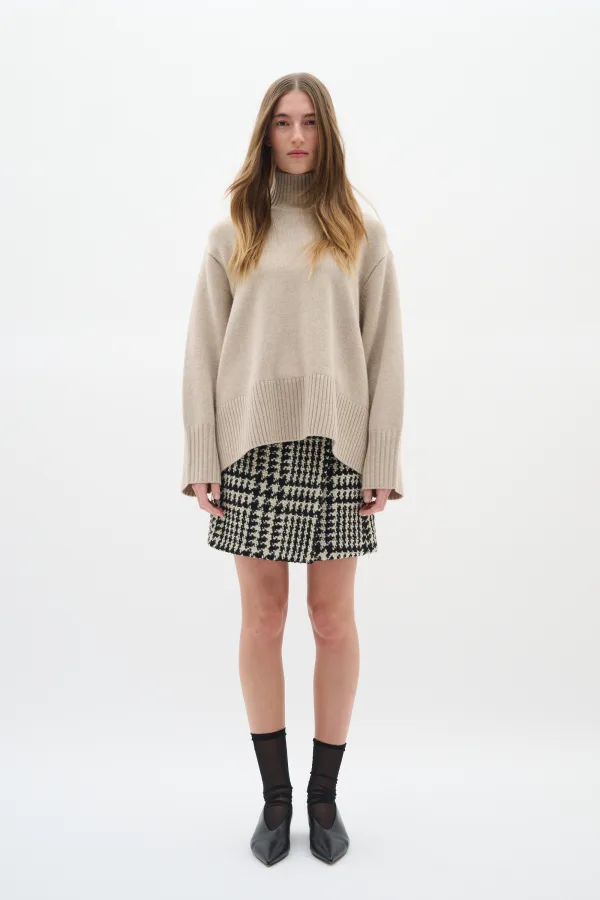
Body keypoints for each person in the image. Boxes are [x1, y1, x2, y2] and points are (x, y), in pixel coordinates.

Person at [180, 72, 405, 866]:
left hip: (338, 448)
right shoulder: (234, 228)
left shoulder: (361, 232)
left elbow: (384, 349)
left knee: (332, 620)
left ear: (327, 132)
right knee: (263, 622)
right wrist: (201, 454)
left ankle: (324, 797)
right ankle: (275, 801)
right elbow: (204, 347)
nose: (298, 136)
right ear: (265, 133)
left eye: (309, 122)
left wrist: (382, 455)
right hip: (250, 447)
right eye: (283, 122)